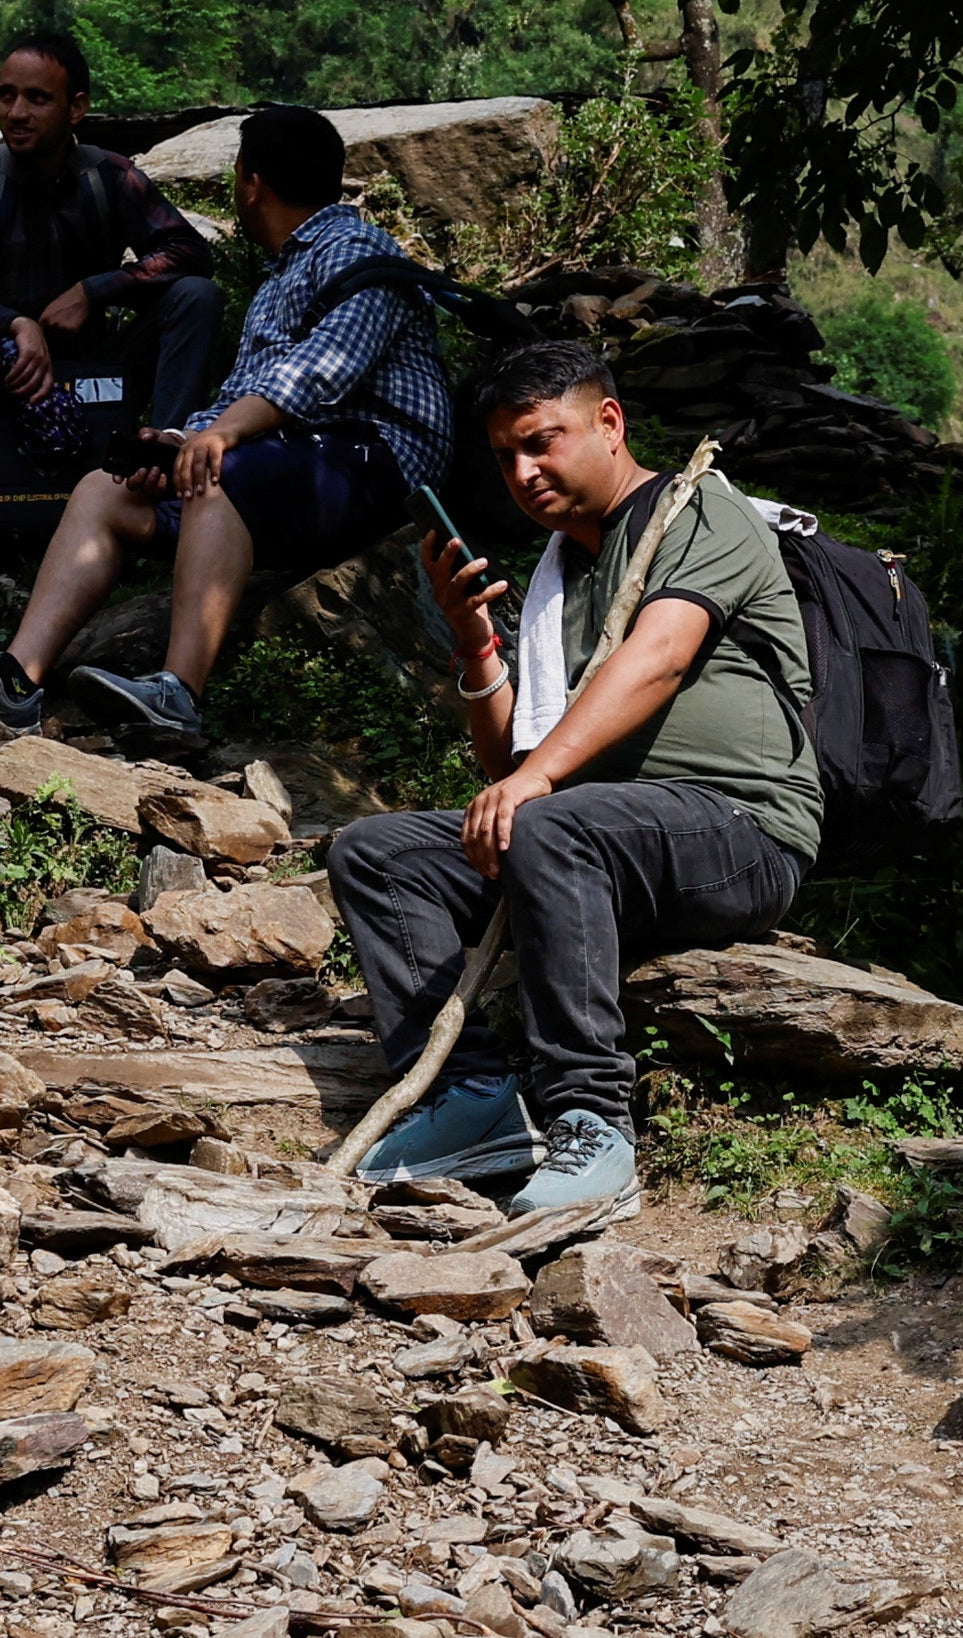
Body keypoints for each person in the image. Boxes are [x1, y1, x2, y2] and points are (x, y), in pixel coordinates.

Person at [324, 333, 817, 1213]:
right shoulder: (565, 570)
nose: (523, 470)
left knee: (548, 818)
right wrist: (476, 640)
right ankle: (473, 1101)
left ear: (610, 421)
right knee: (378, 852)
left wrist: (536, 784)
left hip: (740, 828)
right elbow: (509, 761)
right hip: (598, 834)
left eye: (543, 439)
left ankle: (591, 1118)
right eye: (506, 453)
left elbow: (660, 656)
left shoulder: (699, 512)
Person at [0, 104, 449, 751]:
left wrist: (209, 443)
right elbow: (248, 396)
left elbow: (316, 377)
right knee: (105, 490)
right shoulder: (283, 276)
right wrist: (181, 440)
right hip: (287, 467)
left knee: (216, 474)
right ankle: (13, 683)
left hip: (377, 465)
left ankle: (178, 694)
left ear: (250, 181)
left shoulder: (355, 253)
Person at [0, 34, 220, 566]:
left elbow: (188, 252)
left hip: (98, 360)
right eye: (6, 95)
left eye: (37, 98)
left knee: (196, 297)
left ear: (76, 108)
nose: (16, 112)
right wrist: (12, 322)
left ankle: (163, 474)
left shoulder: (111, 176)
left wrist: (96, 288)